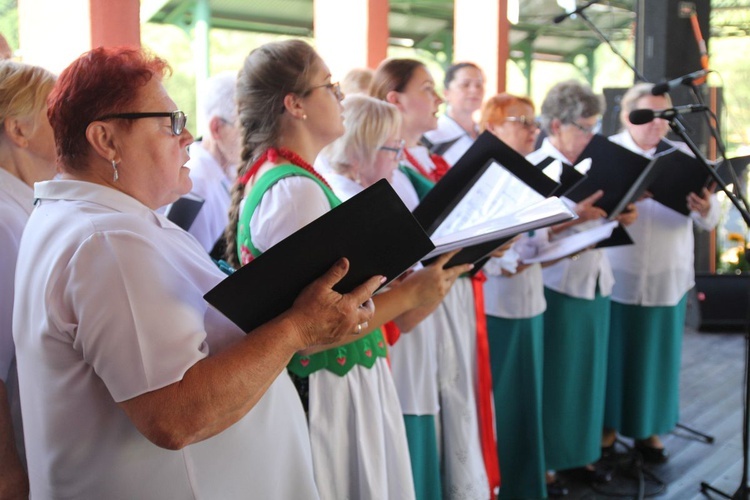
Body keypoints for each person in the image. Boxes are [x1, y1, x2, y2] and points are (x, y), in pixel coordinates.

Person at [13, 46, 380, 498]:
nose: (187, 138)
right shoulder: (106, 242)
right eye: (171, 123)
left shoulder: (107, 222)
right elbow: (174, 417)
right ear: (106, 140)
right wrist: (297, 328)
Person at [224, 40, 465, 500]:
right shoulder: (295, 191)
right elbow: (317, 328)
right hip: (329, 394)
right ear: (294, 104)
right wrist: (412, 293)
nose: (340, 96)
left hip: (341, 386)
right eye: (328, 86)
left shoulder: (296, 180)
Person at [370, 57, 498, 500]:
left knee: (450, 403)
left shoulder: (423, 160)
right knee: (421, 402)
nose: (438, 98)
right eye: (428, 88)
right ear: (395, 99)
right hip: (413, 305)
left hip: (441, 297)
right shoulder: (386, 169)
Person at [526, 79, 636, 486]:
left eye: (595, 127)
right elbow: (524, 236)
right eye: (584, 128)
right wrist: (576, 216)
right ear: (556, 125)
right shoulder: (535, 168)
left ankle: (582, 453)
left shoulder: (592, 164)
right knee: (558, 376)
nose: (591, 137)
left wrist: (618, 214)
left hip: (595, 278)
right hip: (556, 284)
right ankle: (551, 459)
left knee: (589, 373)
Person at [602, 82, 718, 462]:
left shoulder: (684, 155)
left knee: (657, 360)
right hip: (617, 274)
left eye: (664, 117)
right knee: (615, 357)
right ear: (627, 115)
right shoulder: (608, 153)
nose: (657, 125)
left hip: (668, 275)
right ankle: (607, 426)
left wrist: (704, 208)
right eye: (649, 116)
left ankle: (648, 429)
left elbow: (712, 218)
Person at [479, 93, 555, 499]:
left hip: (530, 297)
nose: (532, 129)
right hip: (496, 304)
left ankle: (529, 477)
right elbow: (472, 246)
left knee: (529, 395)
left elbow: (532, 239)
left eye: (533, 121)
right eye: (520, 120)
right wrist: (505, 262)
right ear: (492, 128)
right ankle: (502, 482)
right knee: (502, 400)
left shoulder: (534, 171)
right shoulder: (485, 177)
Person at [0, 59, 56, 499]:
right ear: (18, 130)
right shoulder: (3, 219)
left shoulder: (23, 207)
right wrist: (8, 470)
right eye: (56, 113)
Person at [178, 71, 240, 256]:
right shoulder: (195, 184)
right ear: (217, 128)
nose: (256, 139)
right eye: (246, 127)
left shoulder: (225, 172)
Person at [423, 62, 485, 165]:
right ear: (446, 93)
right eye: (465, 85)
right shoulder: (431, 137)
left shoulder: (486, 134)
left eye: (479, 85)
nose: (474, 90)